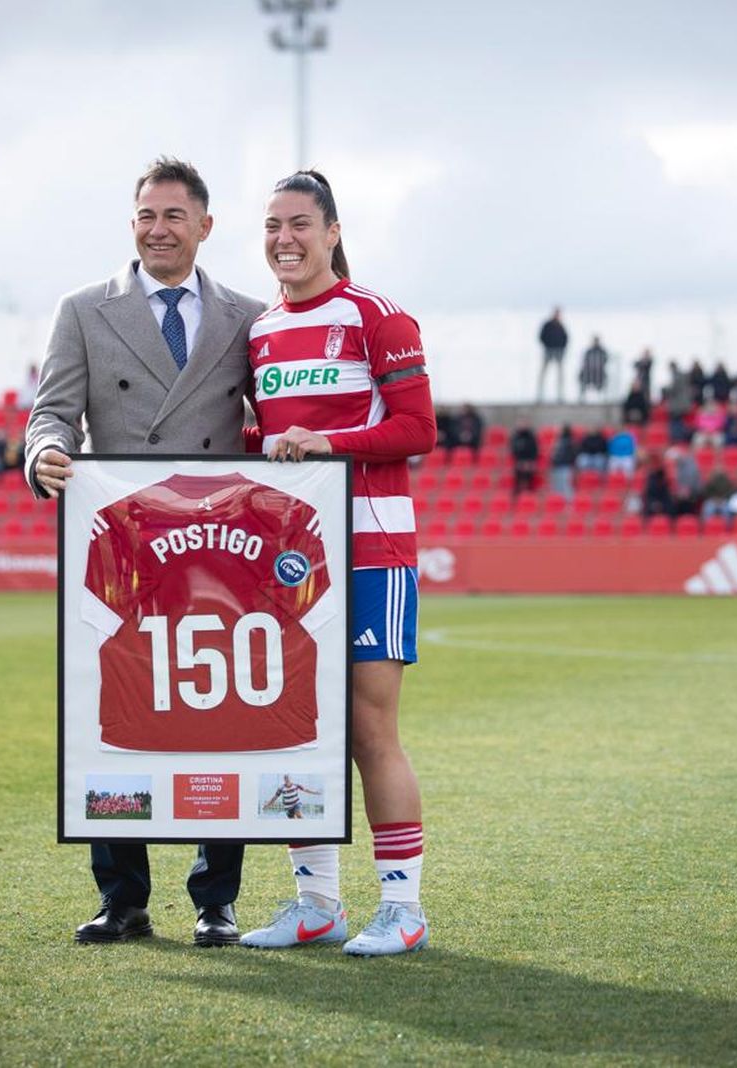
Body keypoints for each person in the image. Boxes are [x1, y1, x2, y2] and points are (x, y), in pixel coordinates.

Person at [24, 156, 265, 949]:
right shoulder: (84, 310)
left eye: (173, 216)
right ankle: (122, 898)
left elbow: (275, 420)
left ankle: (215, 899)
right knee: (117, 713)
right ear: (132, 224)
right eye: (145, 216)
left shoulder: (248, 316)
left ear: (205, 224)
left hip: (217, 549)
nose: (157, 229)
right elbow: (52, 412)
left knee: (217, 713)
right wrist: (44, 456)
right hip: (121, 543)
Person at [238, 169, 436, 958]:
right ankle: (315, 902)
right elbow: (269, 444)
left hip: (373, 553)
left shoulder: (377, 317)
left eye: (299, 224)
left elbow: (418, 428)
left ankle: (404, 909)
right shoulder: (256, 333)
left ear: (332, 232)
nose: (283, 239)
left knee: (367, 728)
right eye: (272, 226)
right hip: (291, 559)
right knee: (294, 731)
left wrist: (329, 444)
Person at [537, 307, 567, 404]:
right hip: (548, 351)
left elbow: (565, 338)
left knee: (560, 375)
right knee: (543, 374)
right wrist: (548, 345)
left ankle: (560, 395)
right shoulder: (547, 325)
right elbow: (542, 336)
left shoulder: (561, 325)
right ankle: (540, 395)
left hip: (559, 353)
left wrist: (561, 347)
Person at [509, 419, 539, 496]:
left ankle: (530, 494)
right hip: (519, 461)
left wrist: (530, 461)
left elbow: (534, 450)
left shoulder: (531, 436)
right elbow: (513, 450)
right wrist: (520, 461)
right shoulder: (515, 436)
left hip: (529, 461)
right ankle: (517, 494)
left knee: (529, 475)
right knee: (518, 475)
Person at [549, 425, 577, 500]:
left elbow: (572, 455)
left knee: (566, 486)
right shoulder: (559, 441)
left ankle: (569, 503)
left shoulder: (570, 441)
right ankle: (559, 503)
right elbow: (554, 454)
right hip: (557, 466)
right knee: (557, 486)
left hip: (565, 466)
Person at [578, 336, 608, 403]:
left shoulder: (602, 351)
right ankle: (582, 396)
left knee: (604, 378)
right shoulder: (589, 351)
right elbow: (585, 361)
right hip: (589, 373)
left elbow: (605, 361)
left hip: (599, 373)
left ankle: (603, 395)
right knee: (582, 376)